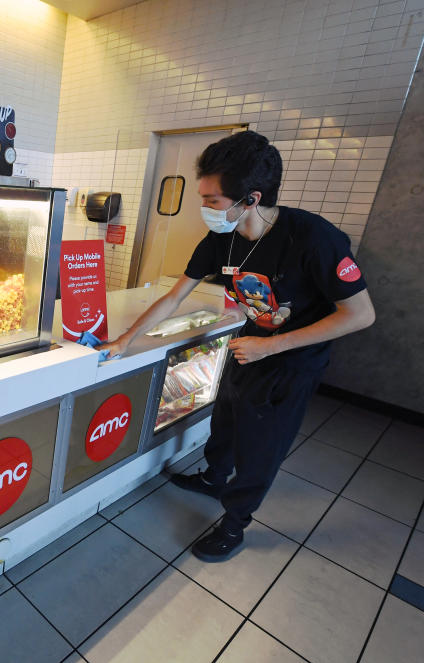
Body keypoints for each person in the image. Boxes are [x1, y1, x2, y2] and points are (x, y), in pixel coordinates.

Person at [97, 130, 375, 562]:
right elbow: (175, 296)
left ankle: (234, 524)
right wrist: (125, 339)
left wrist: (274, 346)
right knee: (225, 415)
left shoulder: (314, 239)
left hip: (292, 360)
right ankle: (213, 477)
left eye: (213, 200)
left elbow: (360, 314)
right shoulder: (220, 238)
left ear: (251, 198)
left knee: (262, 443)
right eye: (202, 197)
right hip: (249, 345)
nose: (204, 208)